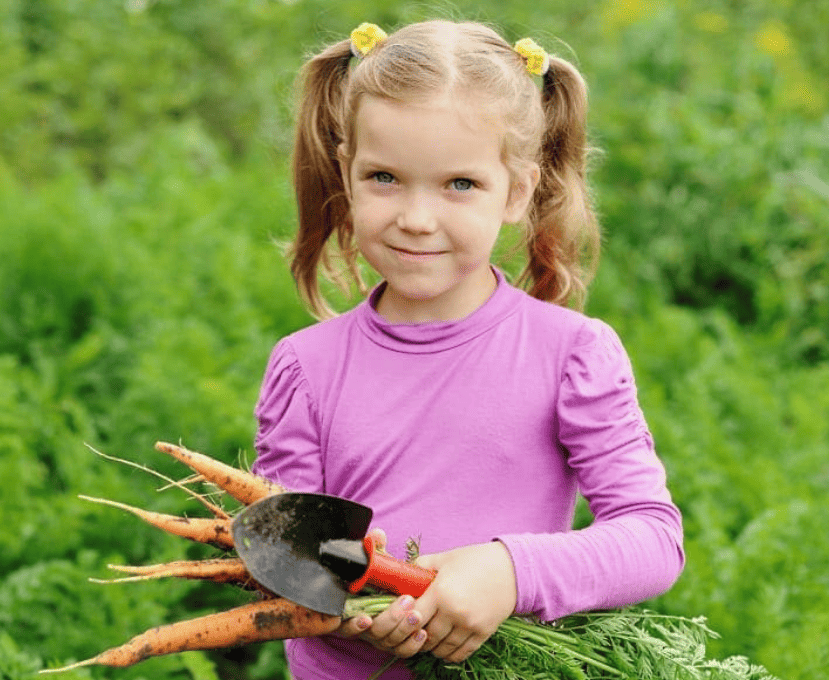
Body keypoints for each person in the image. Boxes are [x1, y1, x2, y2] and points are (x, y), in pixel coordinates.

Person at [250, 19, 684, 680]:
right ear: (346, 172)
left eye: (459, 184)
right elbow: (286, 558)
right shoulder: (305, 367)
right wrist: (361, 606)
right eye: (385, 177)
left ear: (516, 191)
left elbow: (653, 538)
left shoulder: (570, 353)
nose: (417, 218)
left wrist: (509, 570)